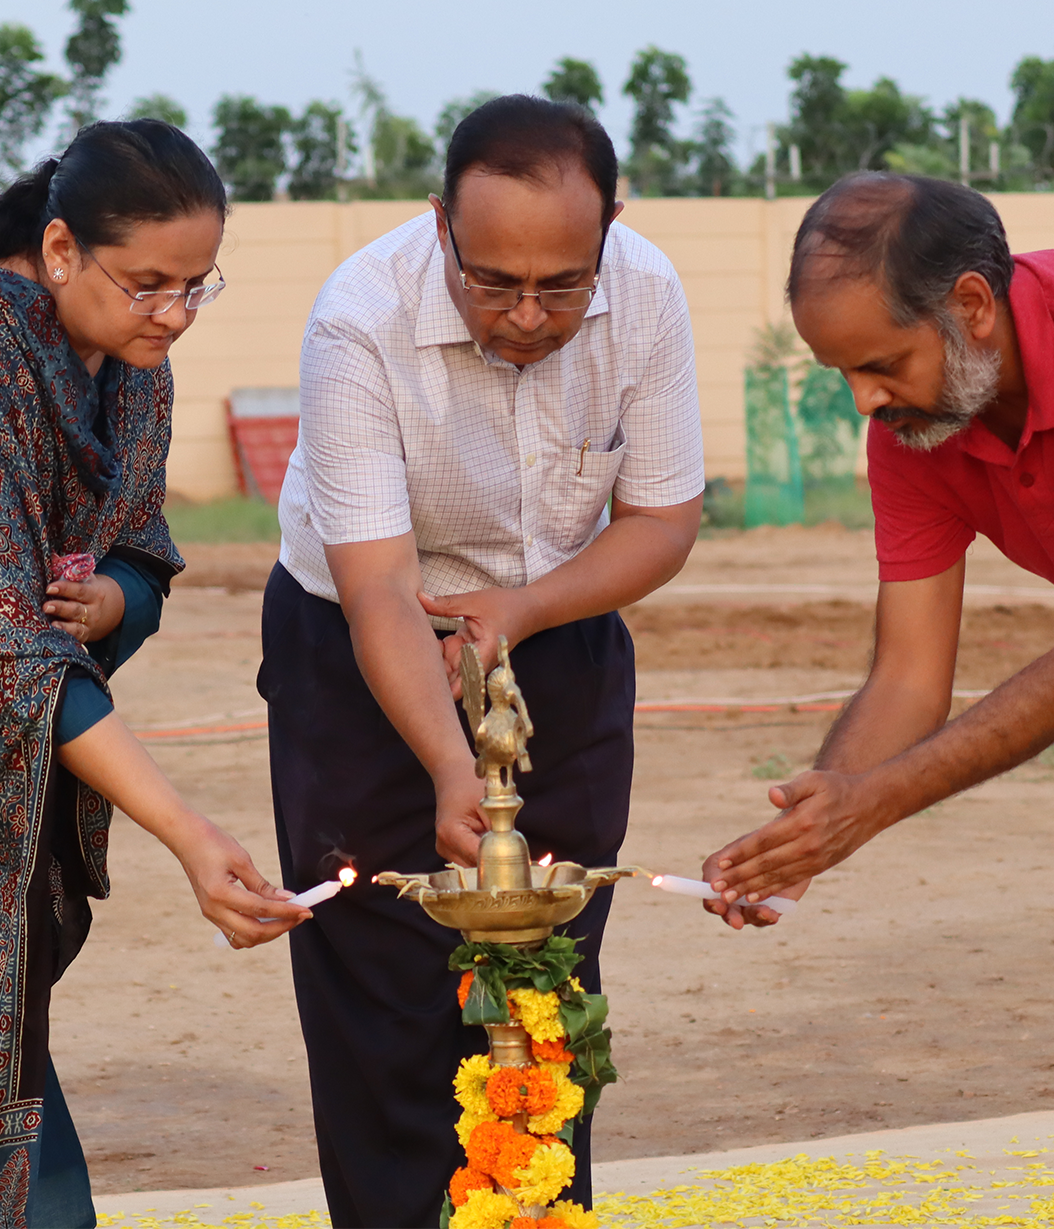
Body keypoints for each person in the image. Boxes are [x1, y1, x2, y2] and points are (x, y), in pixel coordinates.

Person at [260, 95, 704, 1227]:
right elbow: (376, 587)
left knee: (545, 982)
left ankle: (537, 1212)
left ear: (611, 229)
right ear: (439, 226)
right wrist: (452, 769)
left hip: (559, 633)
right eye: (493, 282)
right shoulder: (359, 315)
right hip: (359, 653)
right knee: (386, 990)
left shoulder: (647, 292)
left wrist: (527, 608)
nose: (528, 316)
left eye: (563, 285)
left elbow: (662, 520)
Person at [0, 120, 308, 1228]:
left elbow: (140, 551)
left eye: (195, 286)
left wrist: (116, 597)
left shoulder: (130, 367)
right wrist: (188, 832)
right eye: (148, 285)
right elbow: (3, 652)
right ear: (60, 249)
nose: (173, 313)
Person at [703, 171, 1054, 926]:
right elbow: (908, 679)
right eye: (844, 373)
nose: (864, 401)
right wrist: (808, 831)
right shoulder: (913, 431)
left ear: (971, 306)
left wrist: (875, 801)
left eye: (883, 366)